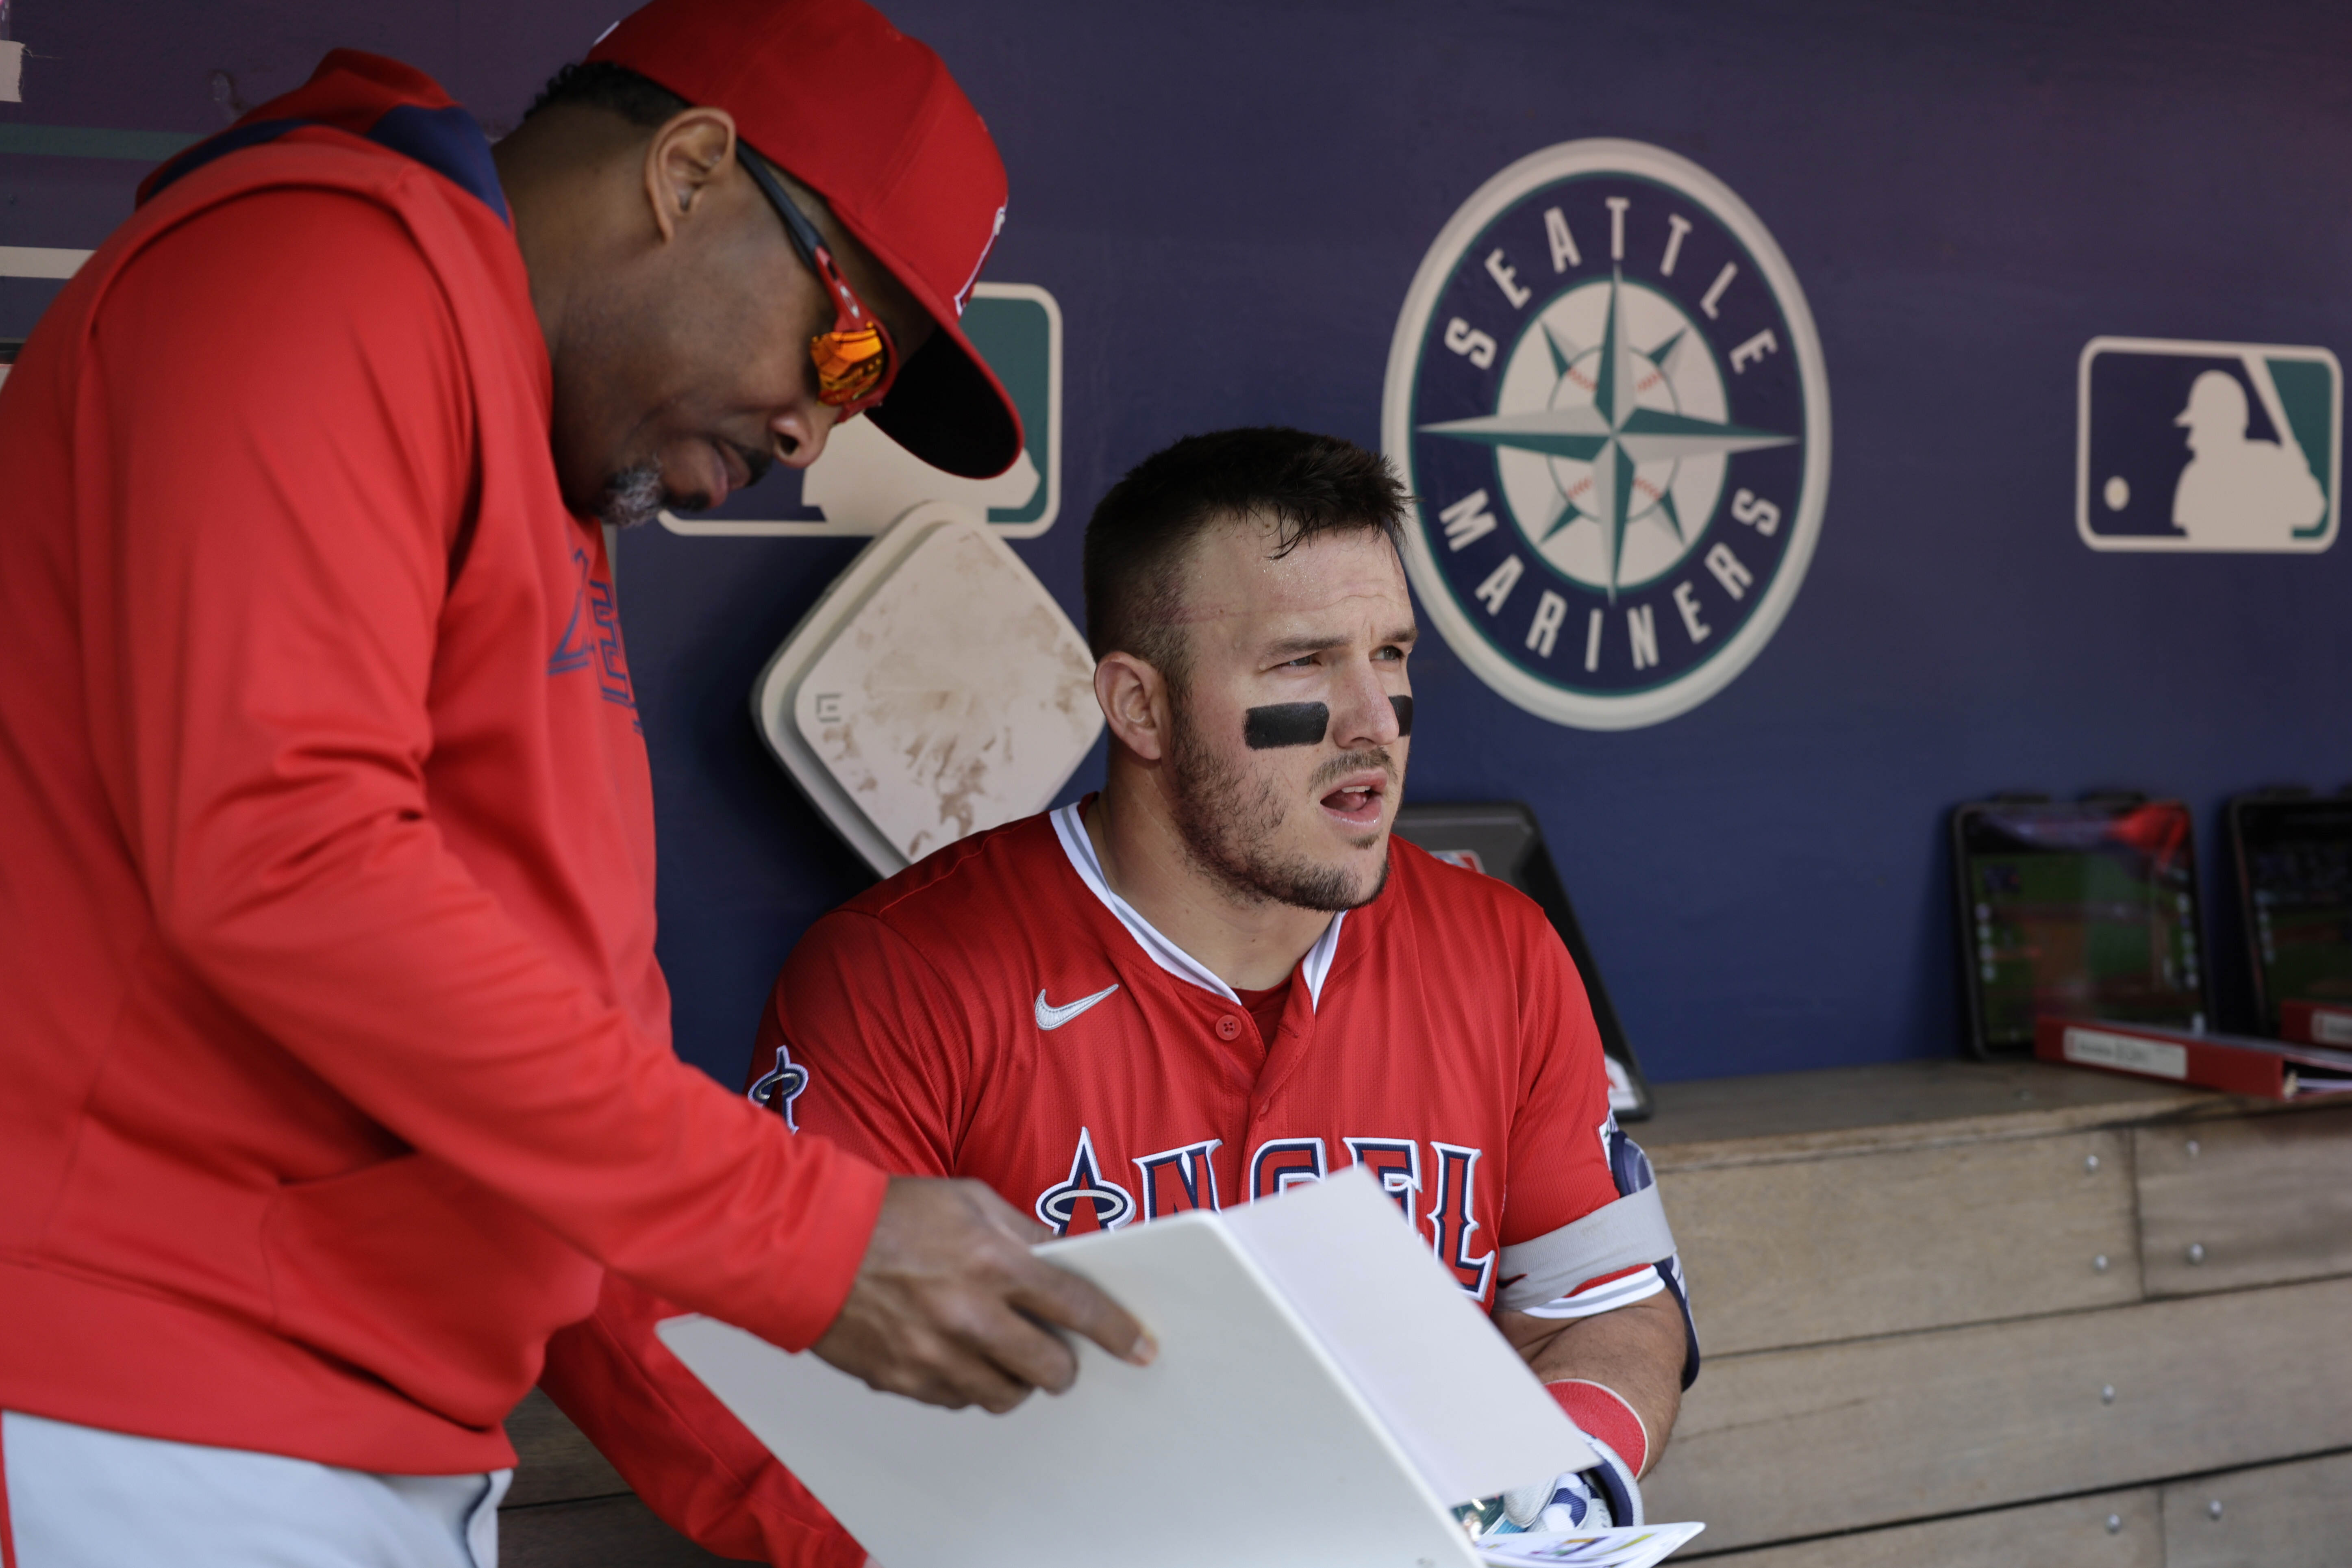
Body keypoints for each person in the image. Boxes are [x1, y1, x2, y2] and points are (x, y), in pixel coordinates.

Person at [0, 2, 1150, 1563]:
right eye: (846, 341)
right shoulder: (321, 264)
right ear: (687, 170)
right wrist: (816, 1233)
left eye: (862, 392)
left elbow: (568, 1144)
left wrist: (879, 1540)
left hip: (355, 1444)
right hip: (137, 1407)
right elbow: (285, 858)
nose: (817, 426)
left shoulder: (546, 487)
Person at [578, 427, 1699, 1561]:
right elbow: (765, 1387)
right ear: (1140, 707)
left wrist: (1551, 1486)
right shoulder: (903, 975)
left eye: (1393, 653)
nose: (1375, 720)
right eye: (1303, 663)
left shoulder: (1501, 953)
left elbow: (1603, 1302)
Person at [2171, 368, 2326, 546]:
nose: (2192, 441)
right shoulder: (2196, 475)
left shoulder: (2269, 464)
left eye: (2201, 428)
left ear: (2223, 426)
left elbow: (2311, 513)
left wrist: (2297, 474)